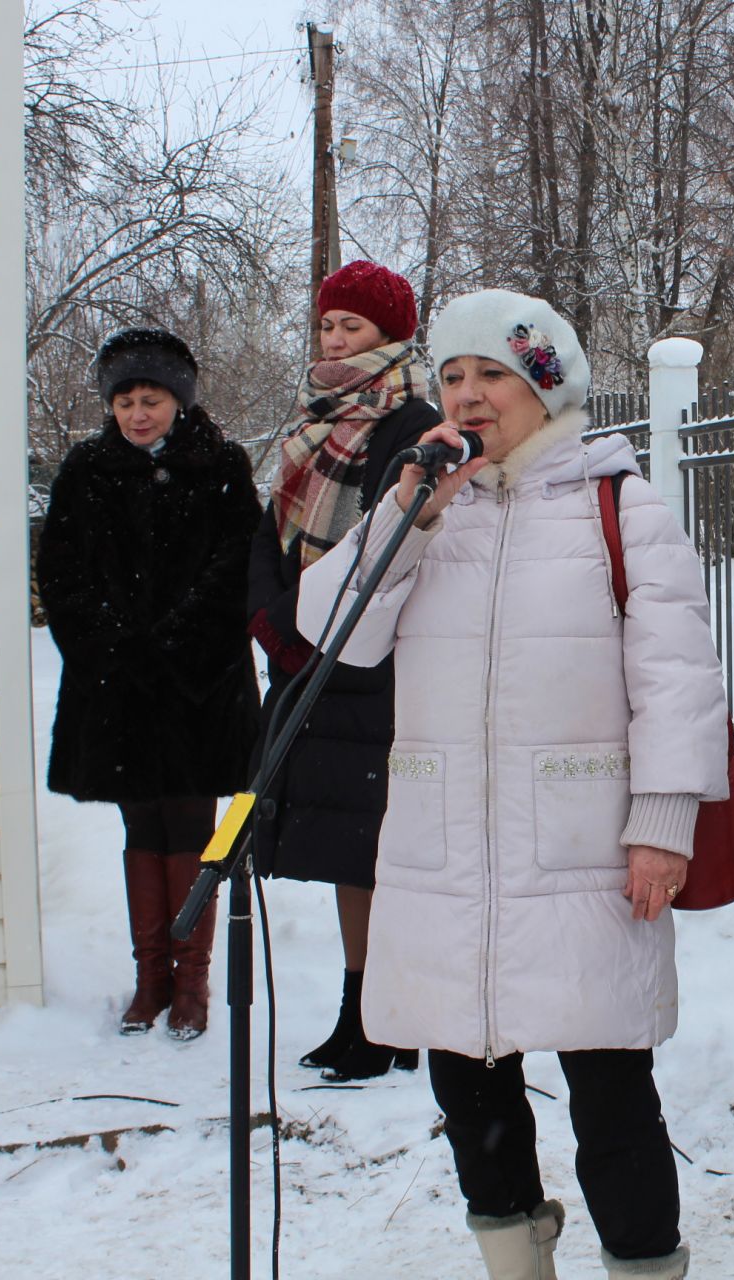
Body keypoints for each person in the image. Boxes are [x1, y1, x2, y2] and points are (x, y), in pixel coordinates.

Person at [297, 289, 726, 1280]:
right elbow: (333, 632)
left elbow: (678, 679)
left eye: (493, 372)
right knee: (468, 1088)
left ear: (546, 381)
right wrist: (406, 510)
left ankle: (644, 1264)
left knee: (610, 1092)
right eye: (452, 374)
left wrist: (662, 822)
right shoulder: (431, 509)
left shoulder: (617, 500)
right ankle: (517, 1264)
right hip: (447, 854)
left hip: (580, 851)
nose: (470, 392)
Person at [246, 261, 441, 1081]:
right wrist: (275, 616)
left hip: (374, 664)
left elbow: (395, 545)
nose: (334, 339)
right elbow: (270, 533)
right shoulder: (309, 421)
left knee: (378, 847)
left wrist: (324, 625)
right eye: (327, 324)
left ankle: (392, 1014)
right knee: (341, 849)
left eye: (351, 327)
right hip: (307, 660)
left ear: (390, 335)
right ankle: (361, 1008)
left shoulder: (412, 420)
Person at [38, 327, 262, 1040]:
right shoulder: (86, 470)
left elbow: (238, 565)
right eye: (127, 401)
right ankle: (151, 978)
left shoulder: (220, 466)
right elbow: (62, 573)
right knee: (142, 826)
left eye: (152, 399)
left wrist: (179, 642)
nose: (139, 414)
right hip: (118, 688)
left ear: (179, 400)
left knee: (195, 826)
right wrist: (113, 647)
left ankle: (191, 983)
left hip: (200, 684)